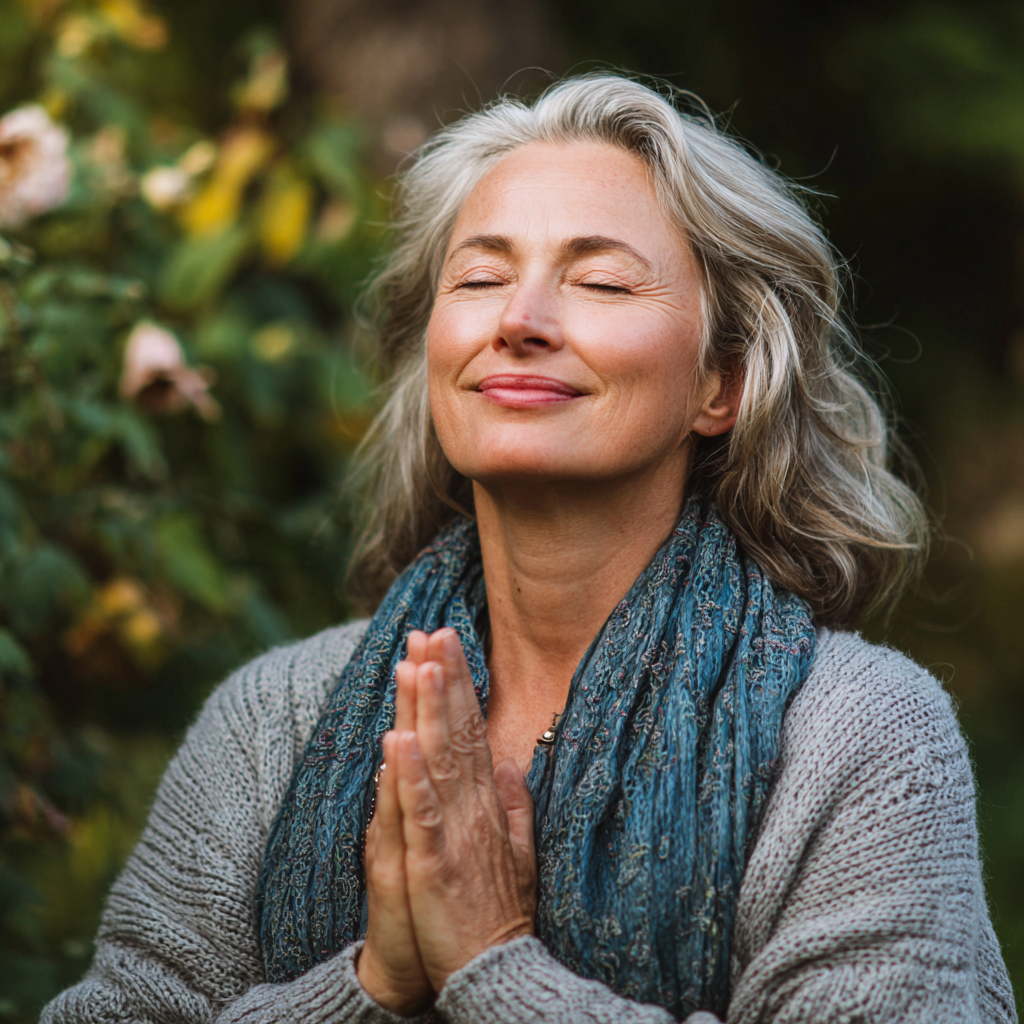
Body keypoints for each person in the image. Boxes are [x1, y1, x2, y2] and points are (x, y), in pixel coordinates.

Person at [42, 74, 1016, 1024]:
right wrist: (375, 982)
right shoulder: (271, 722)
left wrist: (488, 963)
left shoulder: (857, 737)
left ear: (721, 383)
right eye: (480, 277)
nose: (519, 320)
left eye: (597, 280)